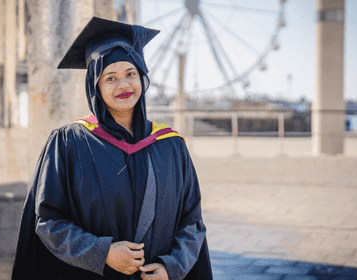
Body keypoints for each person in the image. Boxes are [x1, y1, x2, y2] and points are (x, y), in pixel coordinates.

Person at [11, 17, 213, 280]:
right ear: (95, 87)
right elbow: (48, 221)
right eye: (110, 78)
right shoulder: (70, 143)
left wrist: (171, 267)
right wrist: (101, 252)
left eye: (131, 74)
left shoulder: (170, 145)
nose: (123, 85)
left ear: (142, 77)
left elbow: (192, 221)